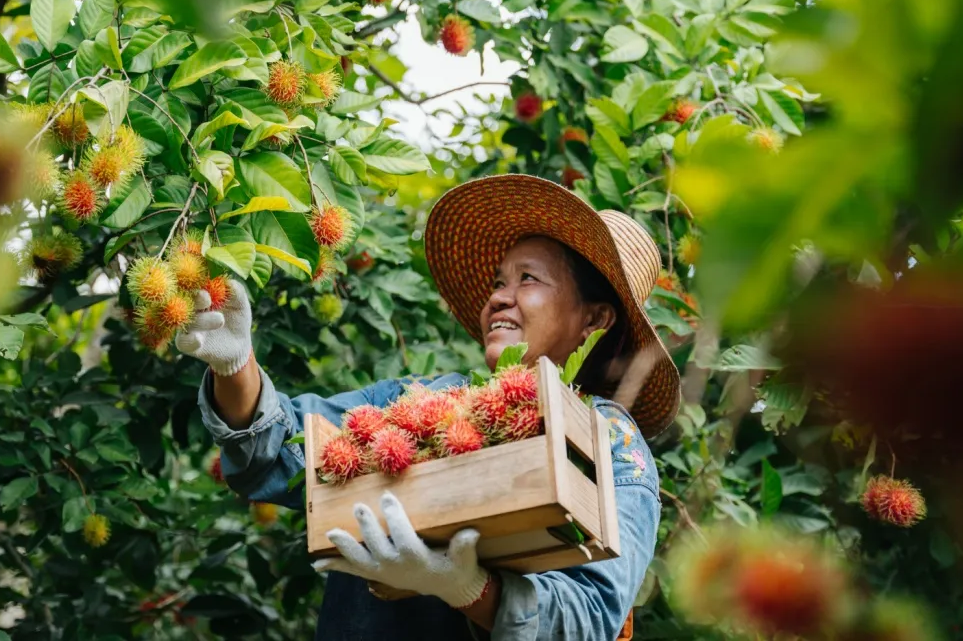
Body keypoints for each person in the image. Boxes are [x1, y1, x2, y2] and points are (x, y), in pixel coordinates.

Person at [177, 174, 681, 640]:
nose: (500, 298)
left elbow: (589, 617)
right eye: (497, 283)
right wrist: (235, 364)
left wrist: (469, 589)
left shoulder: (610, 440)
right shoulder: (417, 400)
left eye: (527, 279)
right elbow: (280, 449)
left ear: (593, 319)